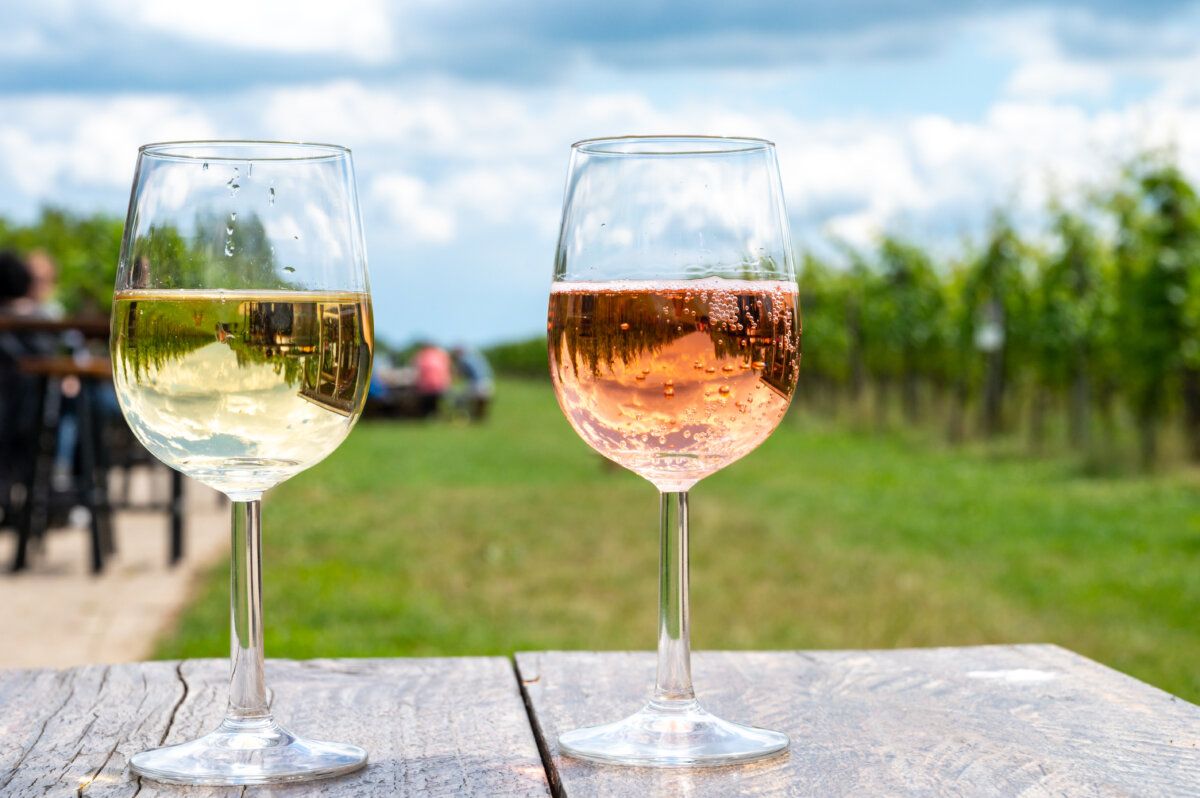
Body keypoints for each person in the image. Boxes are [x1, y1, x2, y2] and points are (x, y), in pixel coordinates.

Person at [452, 345, 494, 422]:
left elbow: (460, 374)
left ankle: (462, 416)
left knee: (460, 398)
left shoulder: (463, 360)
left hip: (477, 384)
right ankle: (479, 418)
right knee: (481, 403)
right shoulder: (478, 357)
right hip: (488, 382)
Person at [413, 343, 452, 418]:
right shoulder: (441, 355)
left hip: (426, 386)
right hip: (438, 385)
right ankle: (434, 416)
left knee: (428, 404)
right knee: (435, 403)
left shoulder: (422, 355)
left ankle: (428, 416)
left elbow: (417, 370)